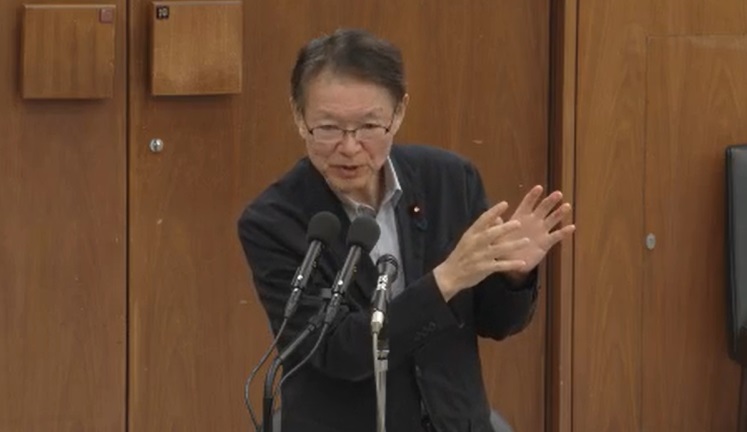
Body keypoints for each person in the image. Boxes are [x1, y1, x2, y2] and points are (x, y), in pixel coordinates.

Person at [237, 28, 575, 432]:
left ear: (398, 113)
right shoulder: (274, 221)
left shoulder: (450, 180)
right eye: (328, 128)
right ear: (298, 116)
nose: (349, 147)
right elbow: (336, 351)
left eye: (368, 126)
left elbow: (496, 323)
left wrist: (514, 275)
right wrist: (446, 279)